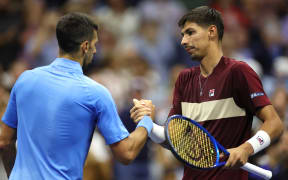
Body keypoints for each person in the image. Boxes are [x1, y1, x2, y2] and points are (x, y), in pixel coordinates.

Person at [130, 6, 284, 180]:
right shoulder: (184, 78)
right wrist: (149, 124)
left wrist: (247, 148)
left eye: (190, 33)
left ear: (212, 32)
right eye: (182, 35)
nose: (183, 41)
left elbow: (275, 123)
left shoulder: (238, 72)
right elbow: (174, 141)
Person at [0, 12, 154, 180]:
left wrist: (13, 175)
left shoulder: (24, 80)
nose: (96, 50)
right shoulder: (96, 93)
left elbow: (4, 141)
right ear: (85, 46)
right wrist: (146, 120)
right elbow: (127, 153)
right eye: (95, 44)